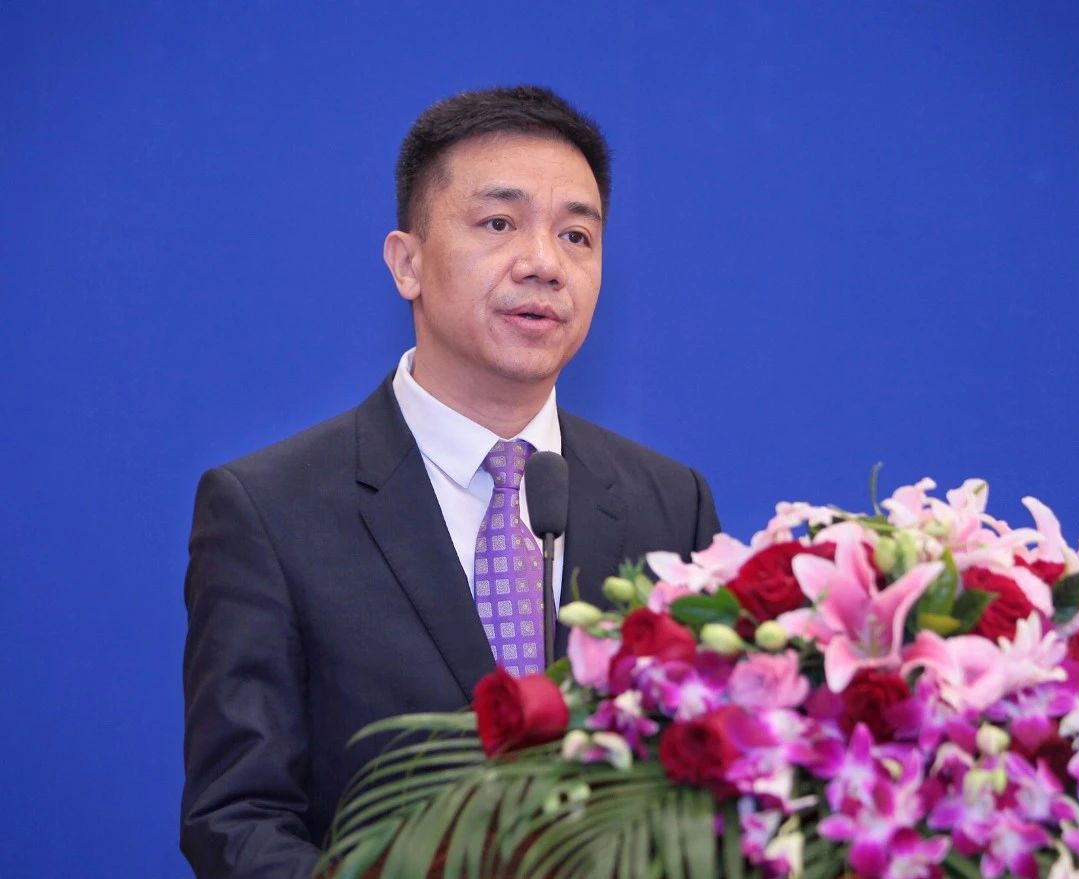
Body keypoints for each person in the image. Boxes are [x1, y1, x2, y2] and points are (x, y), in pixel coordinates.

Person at [179, 86, 719, 878]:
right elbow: (238, 818)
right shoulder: (268, 510)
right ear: (408, 263)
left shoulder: (670, 503)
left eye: (576, 234)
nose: (544, 263)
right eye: (499, 223)